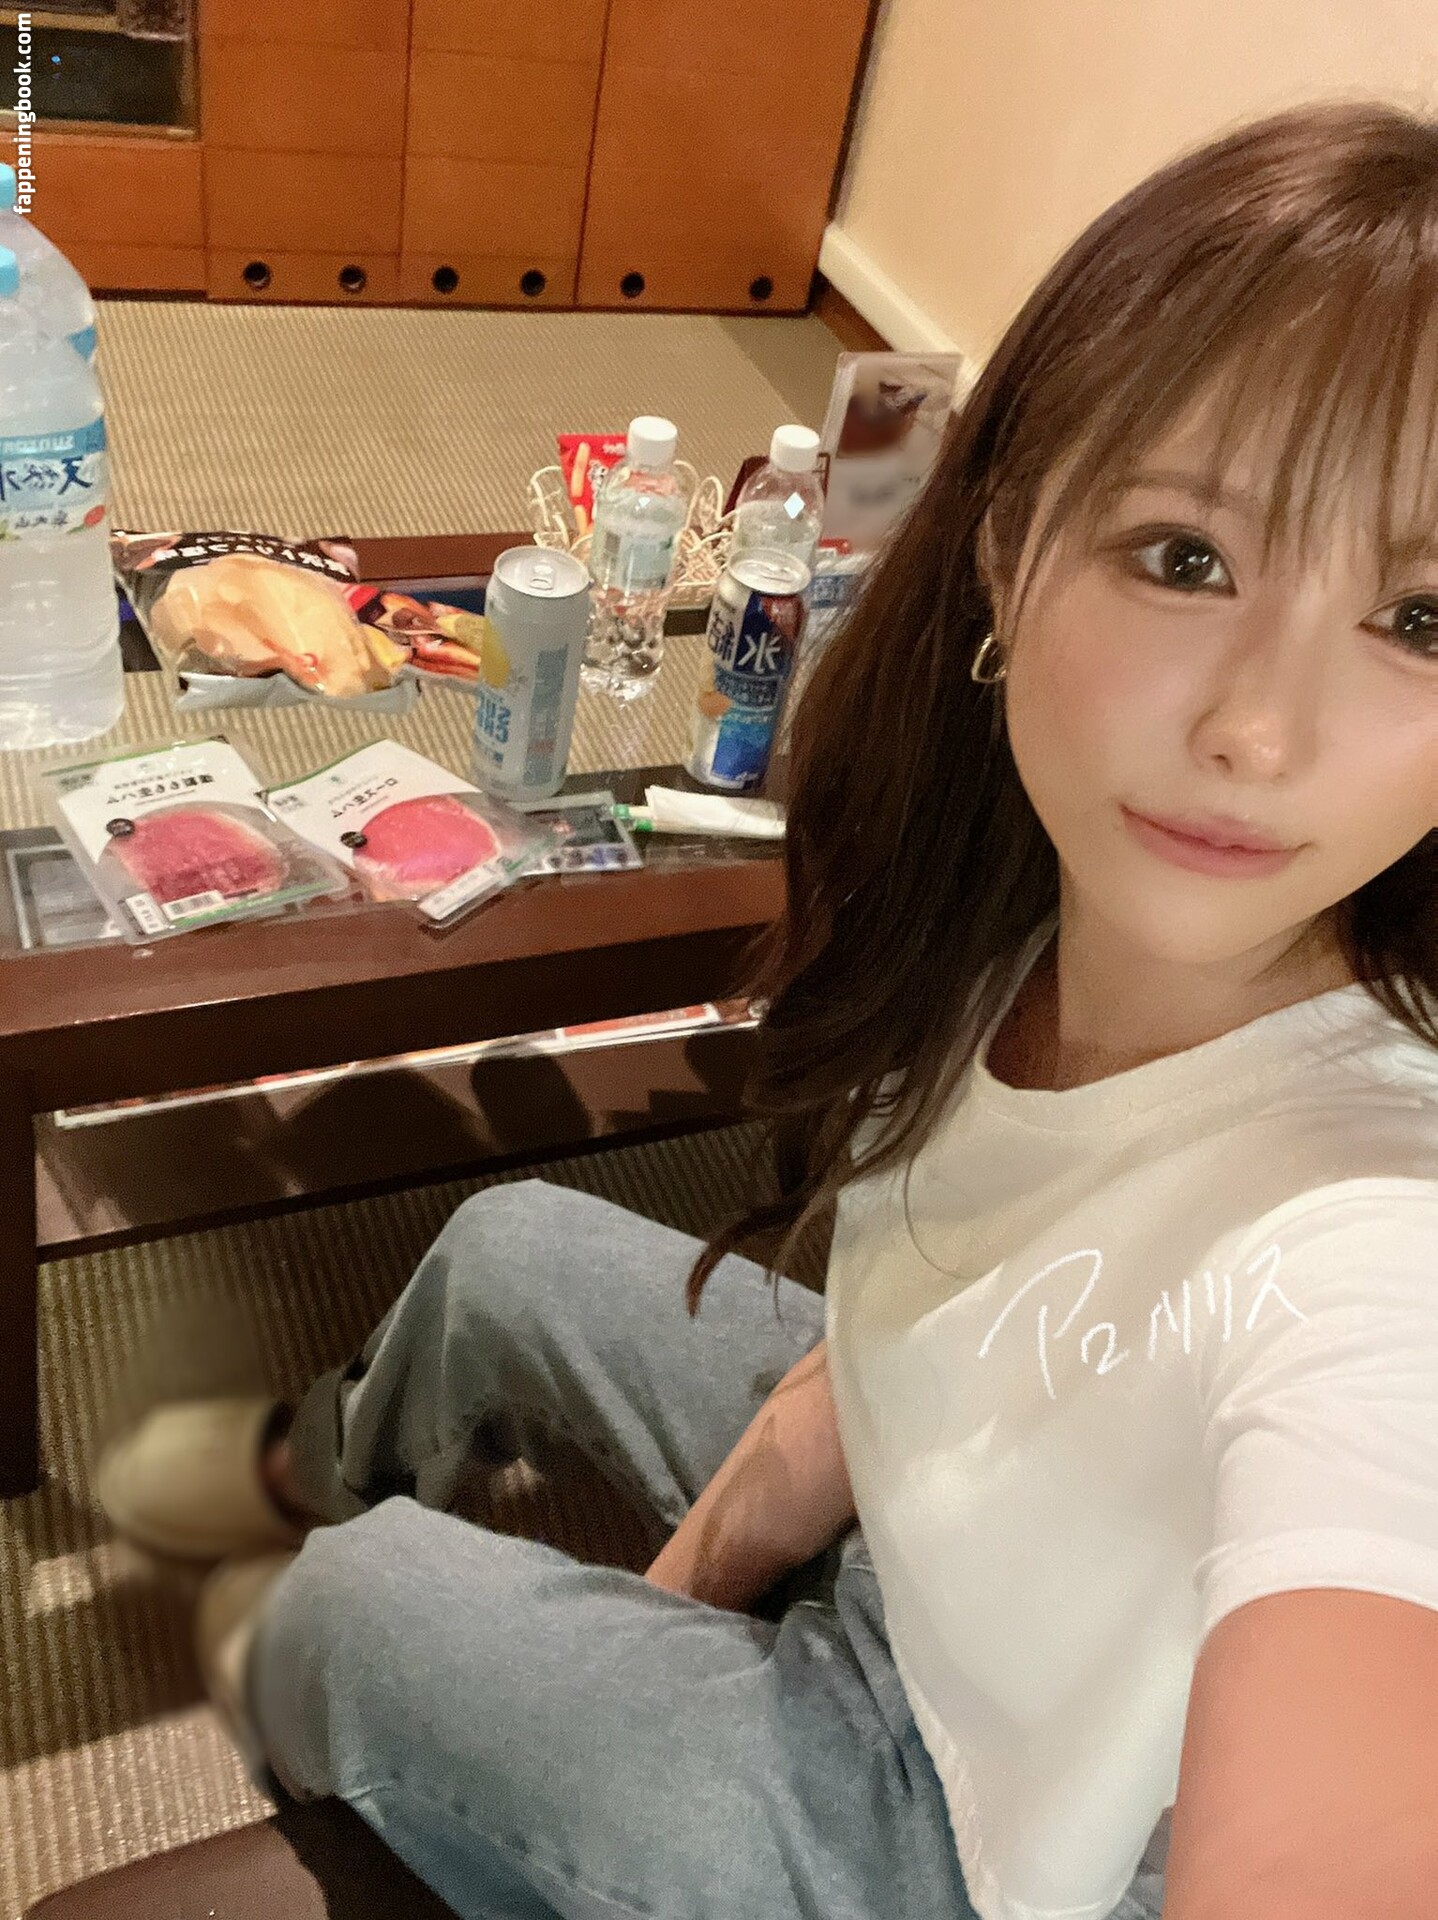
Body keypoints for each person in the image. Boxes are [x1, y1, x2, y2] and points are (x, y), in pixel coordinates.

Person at [96, 98, 1437, 1920]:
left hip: (988, 1849)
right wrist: (682, 1596)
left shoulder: (1370, 1225)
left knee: (348, 1608)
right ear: (1003, 544)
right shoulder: (1005, 918)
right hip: (944, 1548)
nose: (1258, 733)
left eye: (1420, 620)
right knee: (502, 1246)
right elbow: (919, 1332)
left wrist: (594, 1683)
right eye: (1185, 557)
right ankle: (313, 1476)